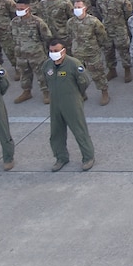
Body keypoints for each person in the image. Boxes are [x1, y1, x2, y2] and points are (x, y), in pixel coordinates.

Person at [45, 38, 95, 171]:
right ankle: (61, 158)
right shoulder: (47, 65)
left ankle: (88, 157)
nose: (53, 53)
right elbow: (46, 81)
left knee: (79, 131)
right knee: (56, 133)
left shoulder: (73, 64)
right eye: (51, 51)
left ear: (63, 51)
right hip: (55, 103)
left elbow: (84, 81)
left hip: (72, 102)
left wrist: (77, 95)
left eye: (56, 51)